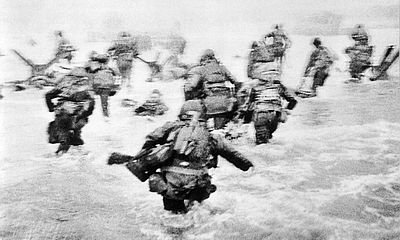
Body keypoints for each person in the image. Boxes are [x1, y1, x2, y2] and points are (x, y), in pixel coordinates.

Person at [108, 100, 253, 213]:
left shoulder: (170, 127)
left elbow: (150, 139)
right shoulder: (212, 137)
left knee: (172, 216)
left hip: (169, 184)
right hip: (197, 186)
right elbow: (234, 156)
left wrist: (144, 158)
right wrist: (248, 167)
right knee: (194, 212)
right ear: (203, 116)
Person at [184, 49, 242, 129]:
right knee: (219, 130)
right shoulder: (222, 68)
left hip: (208, 103)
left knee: (202, 127)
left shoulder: (201, 69)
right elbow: (236, 82)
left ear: (203, 59)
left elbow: (192, 86)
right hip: (224, 103)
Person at [241, 62, 297, 144]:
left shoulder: (255, 86)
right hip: (275, 115)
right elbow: (293, 101)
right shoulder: (279, 86)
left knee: (261, 144)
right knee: (269, 139)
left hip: (260, 114)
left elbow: (250, 106)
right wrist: (286, 110)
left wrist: (246, 122)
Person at [45, 67, 95, 154]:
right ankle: (78, 155)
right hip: (79, 116)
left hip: (63, 113)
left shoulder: (64, 84)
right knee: (76, 136)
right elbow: (91, 103)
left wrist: (51, 108)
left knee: (63, 134)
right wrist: (85, 115)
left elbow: (48, 95)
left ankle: (61, 154)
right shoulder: (87, 87)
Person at [85, 52, 118, 118]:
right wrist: (115, 87)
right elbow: (117, 75)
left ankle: (87, 114)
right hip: (106, 87)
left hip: (96, 87)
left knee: (89, 100)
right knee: (104, 103)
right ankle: (106, 116)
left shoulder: (93, 67)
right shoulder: (110, 68)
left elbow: (87, 73)